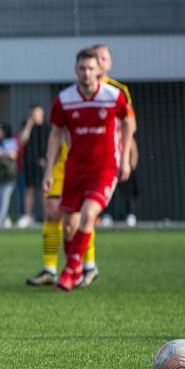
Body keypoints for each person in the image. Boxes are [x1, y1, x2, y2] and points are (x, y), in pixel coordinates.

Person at [42, 47, 135, 291]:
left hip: (104, 167)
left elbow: (129, 123)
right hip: (75, 168)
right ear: (76, 69)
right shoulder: (64, 99)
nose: (86, 73)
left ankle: (69, 271)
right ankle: (76, 268)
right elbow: (55, 134)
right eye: (82, 68)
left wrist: (125, 159)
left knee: (89, 213)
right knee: (69, 224)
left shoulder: (113, 96)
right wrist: (49, 170)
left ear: (99, 70)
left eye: (91, 68)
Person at [93, 43, 140, 228]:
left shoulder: (118, 89)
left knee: (125, 176)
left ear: (110, 63)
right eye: (96, 57)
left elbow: (130, 122)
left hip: (117, 143)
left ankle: (130, 213)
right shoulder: (83, 89)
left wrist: (122, 138)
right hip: (94, 145)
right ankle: (105, 214)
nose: (99, 61)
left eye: (103, 57)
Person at [16, 105, 46, 228]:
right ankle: (27, 216)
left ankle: (46, 216)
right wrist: (29, 125)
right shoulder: (27, 125)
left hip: (43, 165)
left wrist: (46, 159)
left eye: (37, 113)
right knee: (29, 189)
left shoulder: (47, 127)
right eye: (32, 114)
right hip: (28, 163)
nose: (34, 116)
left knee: (44, 190)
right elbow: (22, 140)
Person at [0, 123, 18, 228]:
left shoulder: (12, 141)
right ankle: (4, 217)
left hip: (9, 174)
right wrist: (6, 153)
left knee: (5, 197)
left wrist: (1, 153)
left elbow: (14, 155)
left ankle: (0, 218)